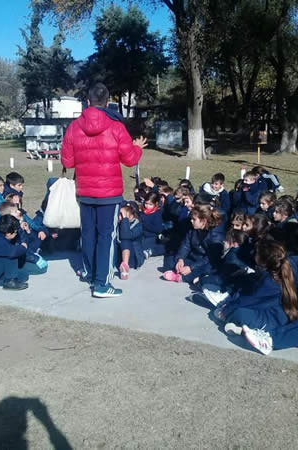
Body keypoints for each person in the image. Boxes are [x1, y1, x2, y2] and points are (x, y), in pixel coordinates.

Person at [61, 82, 146, 298]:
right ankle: (102, 283)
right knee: (106, 237)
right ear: (107, 102)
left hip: (85, 192)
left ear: (87, 102)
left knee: (88, 234)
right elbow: (129, 159)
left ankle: (89, 272)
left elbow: (67, 162)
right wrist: (137, 148)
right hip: (109, 194)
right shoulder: (117, 126)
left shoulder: (73, 126)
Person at [162, 204, 224, 285]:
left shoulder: (215, 235)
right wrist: (180, 259)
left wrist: (191, 267)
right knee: (168, 260)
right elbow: (185, 245)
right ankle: (188, 274)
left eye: (194, 219)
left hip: (206, 262)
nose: (191, 221)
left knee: (208, 268)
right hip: (193, 258)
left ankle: (181, 277)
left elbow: (211, 257)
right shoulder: (193, 230)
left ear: (203, 221)